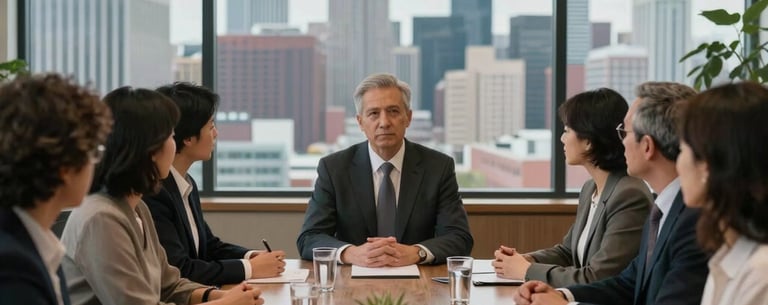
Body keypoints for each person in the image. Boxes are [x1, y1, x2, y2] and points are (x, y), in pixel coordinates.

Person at [60, 87, 262, 305]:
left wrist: (217, 295)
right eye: (171, 137)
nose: (174, 146)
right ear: (148, 148)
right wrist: (225, 304)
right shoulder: (101, 218)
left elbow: (169, 285)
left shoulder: (138, 208)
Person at [515, 82, 709, 305]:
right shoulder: (663, 210)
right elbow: (628, 284)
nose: (621, 142)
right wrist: (563, 296)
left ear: (647, 146)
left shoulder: (693, 222)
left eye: (624, 132)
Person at [296, 73, 473, 267]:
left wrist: (417, 252)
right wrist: (350, 253)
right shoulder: (334, 168)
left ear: (408, 117)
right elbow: (309, 238)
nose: (384, 122)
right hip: (352, 283)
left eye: (393, 111)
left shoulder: (438, 167)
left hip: (419, 283)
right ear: (360, 122)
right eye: (373, 113)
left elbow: (459, 238)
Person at [492, 88, 652, 286]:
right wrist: (524, 260)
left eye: (567, 130)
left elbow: (598, 277)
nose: (562, 138)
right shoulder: (590, 188)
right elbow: (568, 252)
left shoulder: (629, 195)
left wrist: (525, 270)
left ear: (588, 141)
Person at [144, 82, 286, 286]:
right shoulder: (155, 193)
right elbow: (180, 268)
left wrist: (251, 256)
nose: (216, 134)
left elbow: (208, 246)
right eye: (211, 126)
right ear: (188, 138)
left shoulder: (184, 182)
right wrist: (250, 269)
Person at [0, 74, 111, 305]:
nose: (95, 163)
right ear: (65, 167)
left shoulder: (33, 239)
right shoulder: (12, 265)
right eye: (93, 152)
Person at [677, 82, 768, 305]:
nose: (677, 163)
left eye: (681, 150)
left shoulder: (760, 273)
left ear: (706, 164)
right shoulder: (728, 254)